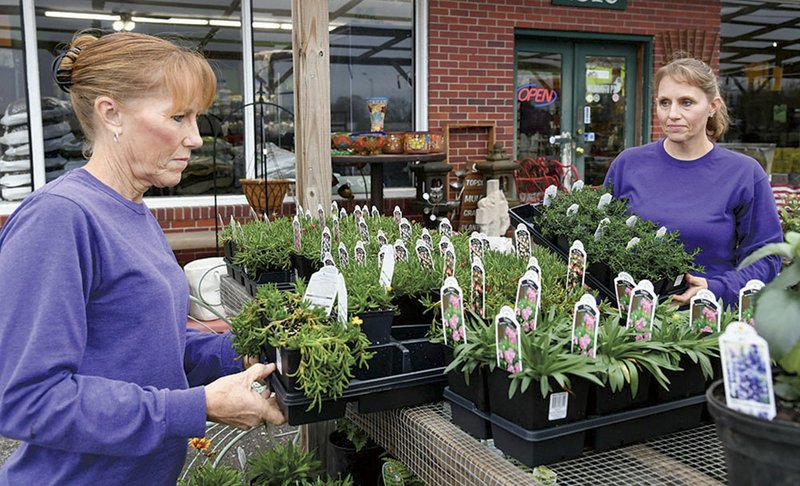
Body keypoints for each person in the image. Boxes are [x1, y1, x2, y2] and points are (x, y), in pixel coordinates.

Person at [0, 32, 285, 485]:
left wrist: (251, 350)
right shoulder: (60, 218)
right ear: (111, 113)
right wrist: (198, 405)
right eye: (177, 116)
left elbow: (150, 345)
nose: (195, 137)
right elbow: (28, 400)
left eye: (196, 117)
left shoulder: (133, 209)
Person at [604, 56, 783, 308]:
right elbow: (600, 238)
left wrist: (716, 288)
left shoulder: (744, 173)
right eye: (664, 103)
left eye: (686, 102)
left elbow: (767, 256)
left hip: (705, 323)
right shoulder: (628, 164)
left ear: (713, 106)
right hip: (627, 321)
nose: (673, 114)